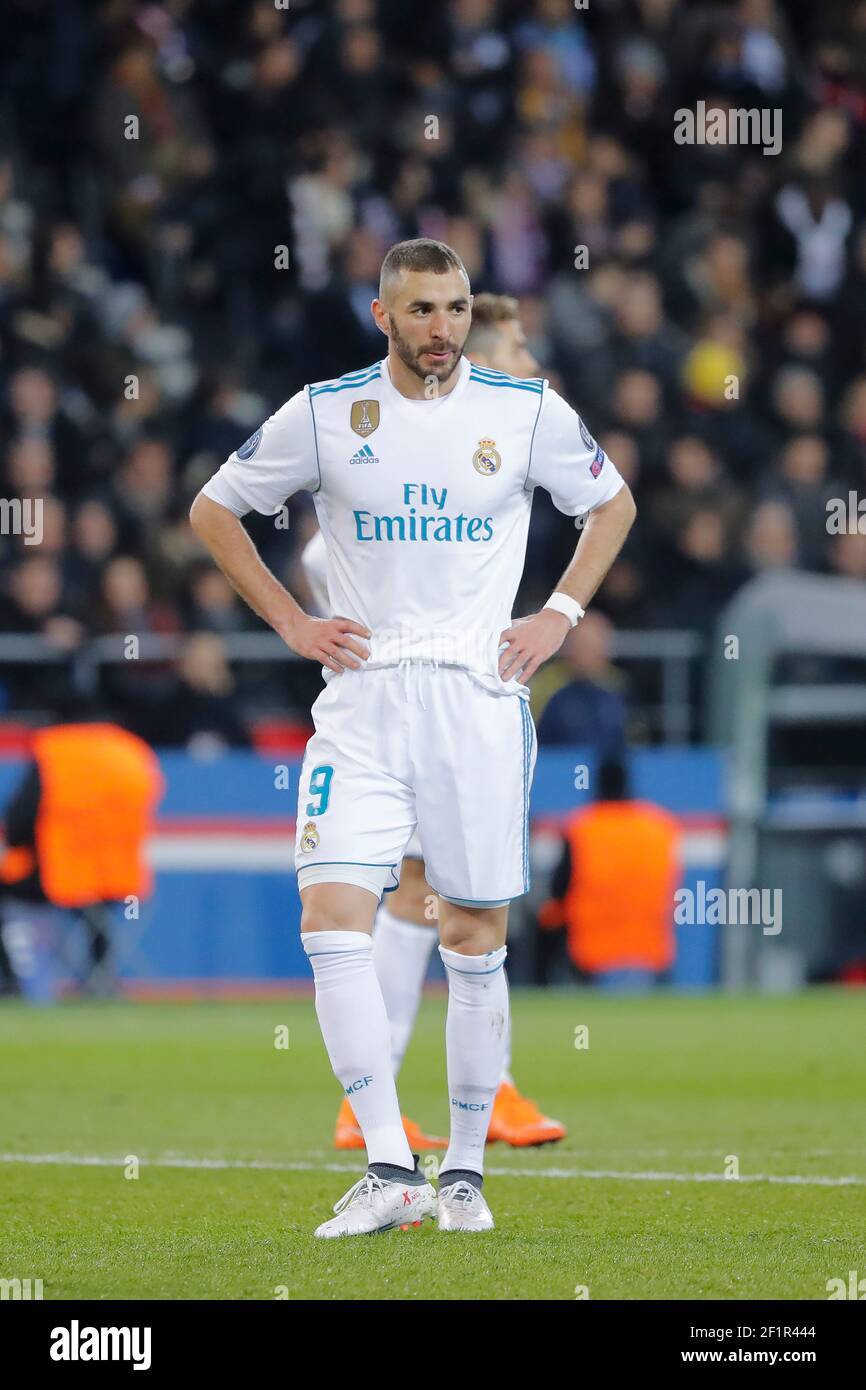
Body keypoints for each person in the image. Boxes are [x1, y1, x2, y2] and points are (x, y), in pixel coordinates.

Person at [191, 238, 635, 1237]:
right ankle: (391, 1161)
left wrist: (559, 612)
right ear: (383, 315)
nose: (441, 329)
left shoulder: (520, 412)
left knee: (471, 938)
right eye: (422, 310)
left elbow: (611, 504)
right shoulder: (324, 412)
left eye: (455, 308)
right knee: (330, 917)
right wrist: (289, 623)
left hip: (476, 699)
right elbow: (215, 510)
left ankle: (466, 1170)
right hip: (359, 697)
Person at [302, 294, 570, 1153]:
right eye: (520, 346)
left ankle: (466, 1091)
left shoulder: (505, 436)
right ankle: (424, 1099)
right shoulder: (430, 428)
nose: (534, 361)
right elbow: (320, 552)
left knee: (440, 902)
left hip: (453, 697)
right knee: (449, 900)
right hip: (407, 707)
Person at [0, 723, 164, 997]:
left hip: (60, 875)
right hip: (123, 882)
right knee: (104, 913)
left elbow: (19, 821)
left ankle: (9, 980)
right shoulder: (131, 752)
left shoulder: (55, 751)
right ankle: (99, 975)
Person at [538, 756, 679, 990]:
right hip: (651, 951)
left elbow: (559, 890)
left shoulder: (583, 827)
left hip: (590, 953)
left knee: (546, 918)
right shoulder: (660, 826)